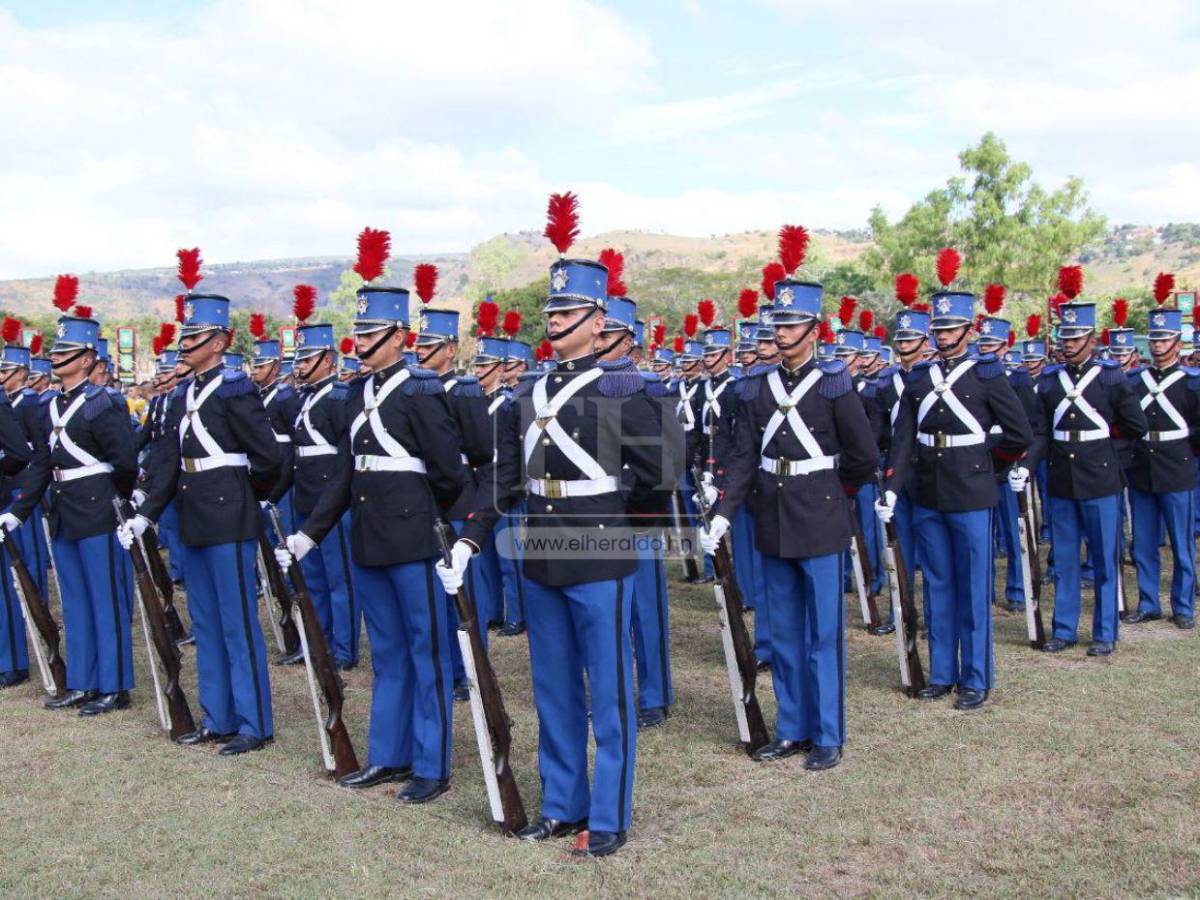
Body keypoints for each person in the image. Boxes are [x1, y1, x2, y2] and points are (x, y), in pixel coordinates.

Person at [437, 194, 669, 857]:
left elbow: (658, 479)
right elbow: (503, 478)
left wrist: (622, 529)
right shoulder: (526, 392)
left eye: (568, 312)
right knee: (555, 690)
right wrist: (470, 538)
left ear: (599, 323)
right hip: (540, 553)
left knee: (611, 694)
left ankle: (610, 816)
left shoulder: (627, 390)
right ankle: (563, 806)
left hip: (601, 552)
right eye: (552, 311)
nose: (556, 321)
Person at [278, 230, 464, 802]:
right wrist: (311, 535)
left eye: (369, 332)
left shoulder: (423, 390)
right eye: (356, 332)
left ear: (399, 337)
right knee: (387, 654)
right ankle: (389, 754)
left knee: (425, 652)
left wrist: (451, 539)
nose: (359, 342)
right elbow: (346, 474)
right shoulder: (354, 395)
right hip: (369, 540)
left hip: (414, 542)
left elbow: (452, 475)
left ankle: (431, 765)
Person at [701, 272, 876, 770]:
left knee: (823, 632)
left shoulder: (836, 384)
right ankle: (791, 727)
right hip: (772, 513)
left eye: (792, 323)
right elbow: (741, 457)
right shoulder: (757, 387)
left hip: (820, 515)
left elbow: (861, 456)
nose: (781, 332)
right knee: (783, 630)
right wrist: (723, 513)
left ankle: (827, 733)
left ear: (813, 330)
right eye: (777, 322)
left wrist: (835, 496)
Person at [120, 258, 282, 753]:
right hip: (194, 517)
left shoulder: (236, 389)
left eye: (194, 337)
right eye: (183, 337)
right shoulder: (181, 395)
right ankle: (218, 716)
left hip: (229, 517)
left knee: (237, 623)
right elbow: (167, 461)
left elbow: (270, 458)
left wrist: (244, 497)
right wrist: (145, 514)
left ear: (219, 342)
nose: (184, 344)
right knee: (208, 623)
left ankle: (254, 723)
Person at [879, 250, 1032, 710]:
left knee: (972, 587)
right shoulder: (921, 377)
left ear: (969, 331)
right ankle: (943, 672)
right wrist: (891, 485)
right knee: (938, 584)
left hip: (972, 492)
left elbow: (1019, 434)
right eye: (938, 330)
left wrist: (991, 467)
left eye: (951, 329)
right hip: (928, 493)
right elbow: (903, 438)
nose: (943, 337)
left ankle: (976, 678)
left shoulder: (987, 374)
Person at [6, 290, 131, 712]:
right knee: (75, 600)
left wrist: (126, 505)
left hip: (98, 508)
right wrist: (16, 511)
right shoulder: (52, 405)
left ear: (86, 358)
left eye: (66, 352)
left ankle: (113, 685)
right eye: (55, 350)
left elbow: (125, 461)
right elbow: (42, 463)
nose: (56, 358)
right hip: (64, 510)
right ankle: (82, 680)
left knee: (104, 598)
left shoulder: (104, 402)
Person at [1025, 269, 1147, 657]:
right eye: (1064, 336)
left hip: (1101, 479)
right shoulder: (1049, 380)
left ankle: (1105, 632)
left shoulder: (1110, 377)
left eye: (1076, 337)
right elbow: (1041, 431)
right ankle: (1064, 629)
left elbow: (1135, 425)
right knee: (1064, 560)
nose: (1068, 343)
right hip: (1062, 479)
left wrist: (1110, 458)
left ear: (1091, 340)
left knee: (1105, 560)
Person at [413, 286, 499, 699]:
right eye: (418, 344)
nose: (420, 352)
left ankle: (469, 669)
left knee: (465, 589)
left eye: (429, 345)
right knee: (434, 587)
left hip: (460, 493)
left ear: (449, 349)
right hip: (423, 496)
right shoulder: (414, 388)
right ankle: (446, 666)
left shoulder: (463, 390)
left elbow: (482, 451)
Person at [288, 289, 361, 670]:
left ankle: (344, 649)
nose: (300, 365)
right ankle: (318, 642)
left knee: (339, 580)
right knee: (312, 579)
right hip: (305, 500)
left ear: (329, 359)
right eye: (298, 357)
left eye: (308, 358)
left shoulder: (340, 397)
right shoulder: (305, 398)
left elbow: (344, 456)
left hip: (332, 503)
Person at [1123, 283, 1199, 629]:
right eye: (1153, 339)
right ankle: (1149, 602)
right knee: (1143, 543)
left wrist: (1185, 453)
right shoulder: (1135, 381)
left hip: (1176, 466)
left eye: (1164, 339)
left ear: (1177, 344)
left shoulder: (1191, 381)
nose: (1157, 345)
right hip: (1142, 466)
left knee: (1181, 544)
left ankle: (1183, 605)